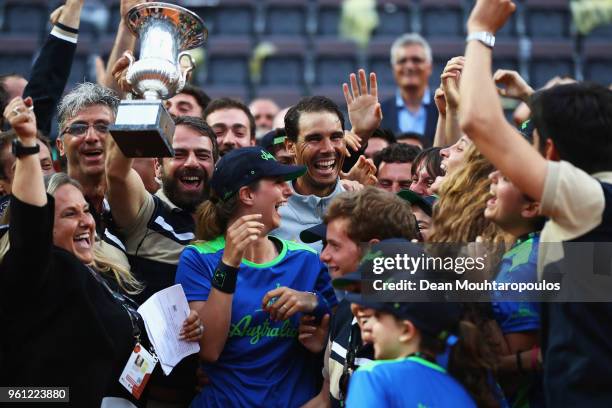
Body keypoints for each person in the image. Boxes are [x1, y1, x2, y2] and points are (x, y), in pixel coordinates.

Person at [0, 96, 202, 407]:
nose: (85, 222)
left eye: (85, 211)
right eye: (69, 214)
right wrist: (27, 144)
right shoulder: (35, 273)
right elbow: (17, 396)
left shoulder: (99, 273)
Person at [460, 1, 612, 405]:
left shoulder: (589, 203)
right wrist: (534, 98)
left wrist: (480, 30)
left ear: (548, 152)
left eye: (531, 143)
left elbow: (478, 122)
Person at [176, 146, 338, 407]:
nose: (288, 190)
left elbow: (342, 327)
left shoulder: (306, 258)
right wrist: (229, 264)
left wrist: (313, 303)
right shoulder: (197, 258)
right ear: (247, 194)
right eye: (277, 182)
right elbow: (209, 350)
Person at [105, 115, 219, 404]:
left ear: (215, 166)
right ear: (157, 166)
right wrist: (142, 102)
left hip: (212, 391)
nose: (192, 162)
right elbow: (116, 173)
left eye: (202, 155)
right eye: (178, 154)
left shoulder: (229, 227)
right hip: (149, 394)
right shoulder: (145, 213)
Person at [299, 187, 418, 407]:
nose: (324, 256)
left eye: (334, 245)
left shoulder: (416, 332)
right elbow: (325, 401)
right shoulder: (346, 309)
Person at [484, 168, 545, 407]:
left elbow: (512, 378)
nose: (492, 177)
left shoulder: (526, 262)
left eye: (507, 178)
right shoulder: (526, 251)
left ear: (531, 208)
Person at [380, 33, 438, 148]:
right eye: (402, 61)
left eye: (416, 60)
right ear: (393, 68)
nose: (409, 66)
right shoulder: (379, 114)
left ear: (430, 67)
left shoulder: (444, 110)